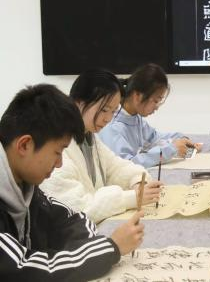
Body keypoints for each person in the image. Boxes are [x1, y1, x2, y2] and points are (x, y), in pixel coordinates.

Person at [0, 84, 144, 281]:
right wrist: (110, 247)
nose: (59, 163)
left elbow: (71, 218)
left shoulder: (26, 184)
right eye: (57, 152)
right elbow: (23, 268)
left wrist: (92, 249)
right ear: (24, 145)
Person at [40, 69, 162, 223]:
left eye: (113, 111)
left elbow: (115, 166)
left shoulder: (88, 136)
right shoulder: (57, 148)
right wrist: (131, 197)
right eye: (104, 110)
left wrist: (138, 181)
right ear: (78, 102)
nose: (108, 119)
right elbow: (78, 208)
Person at [99, 63, 201, 168]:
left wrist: (180, 138)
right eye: (156, 101)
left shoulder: (133, 117)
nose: (157, 107)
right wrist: (170, 149)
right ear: (137, 96)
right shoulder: (112, 126)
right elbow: (127, 165)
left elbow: (154, 138)